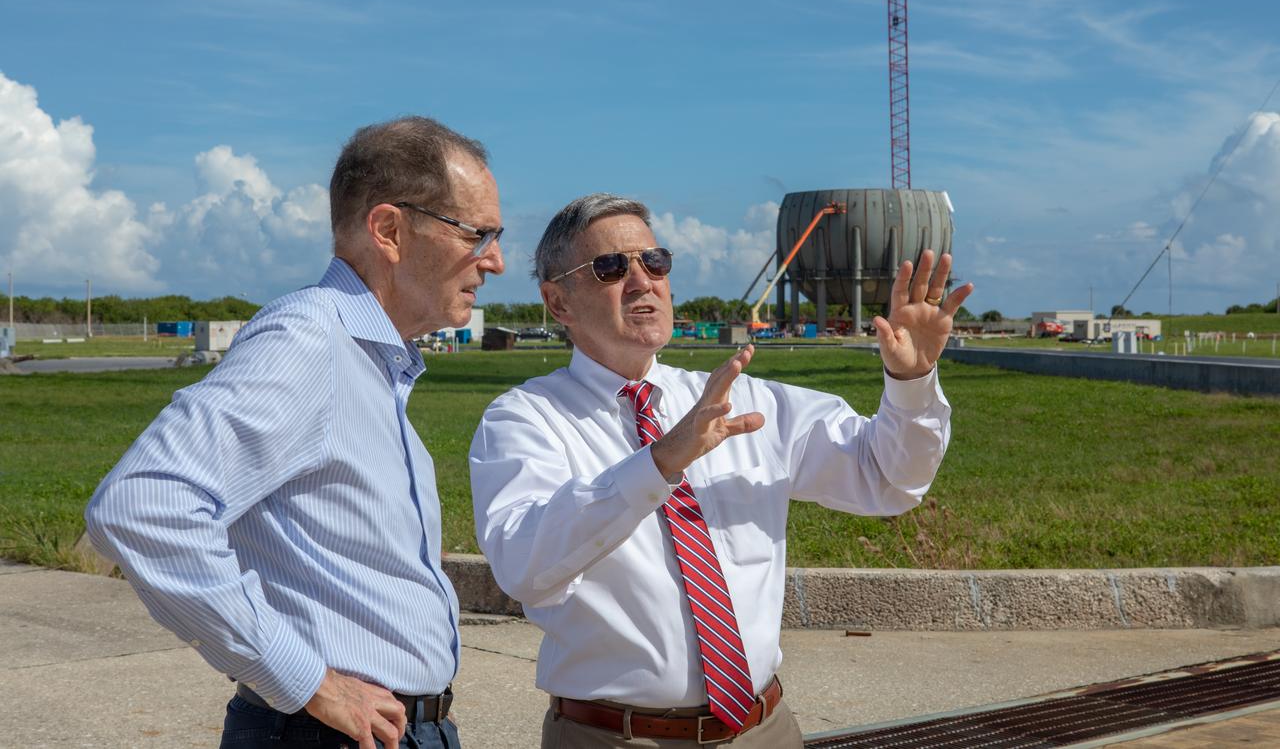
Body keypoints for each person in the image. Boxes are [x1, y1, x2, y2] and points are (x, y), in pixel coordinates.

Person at [469, 193, 973, 748]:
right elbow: (523, 565)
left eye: (653, 261)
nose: (641, 281)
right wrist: (659, 462)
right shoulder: (525, 419)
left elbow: (888, 479)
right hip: (616, 737)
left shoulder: (742, 401)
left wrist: (911, 384)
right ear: (557, 302)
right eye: (611, 267)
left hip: (764, 729)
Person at [84, 116, 506, 749]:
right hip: (328, 733)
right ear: (389, 230)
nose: (495, 261)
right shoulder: (310, 338)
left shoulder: (362, 357)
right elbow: (143, 505)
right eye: (477, 234)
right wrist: (309, 680)